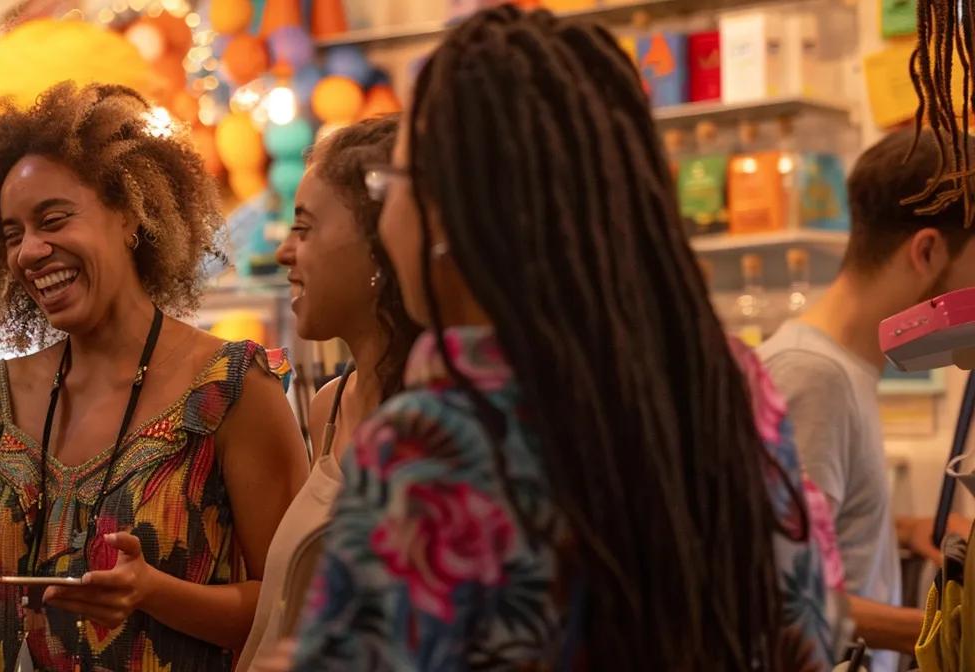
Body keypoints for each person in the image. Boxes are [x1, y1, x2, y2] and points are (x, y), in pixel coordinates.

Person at [292, 7, 842, 670]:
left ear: (451, 212)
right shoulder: (728, 382)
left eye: (394, 182)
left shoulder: (432, 443)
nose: (390, 214)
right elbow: (811, 629)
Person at [0, 81, 308, 671]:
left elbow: (296, 606)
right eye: (12, 235)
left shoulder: (231, 390)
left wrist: (154, 593)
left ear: (131, 214)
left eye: (53, 220)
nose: (30, 251)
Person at [760, 128, 975, 669]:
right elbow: (779, 592)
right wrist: (944, 628)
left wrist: (906, 528)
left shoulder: (843, 368)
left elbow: (821, 527)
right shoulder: (811, 377)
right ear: (926, 250)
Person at [241, 115, 421, 670]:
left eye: (305, 228)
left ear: (381, 241)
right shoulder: (328, 408)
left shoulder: (434, 430)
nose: (285, 253)